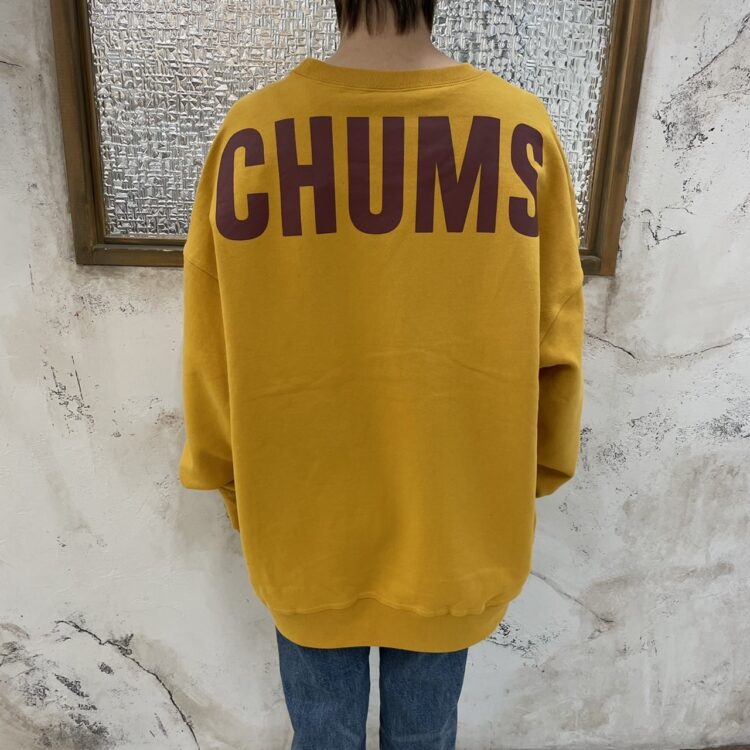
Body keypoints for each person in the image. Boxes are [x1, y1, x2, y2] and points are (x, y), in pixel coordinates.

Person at [178, 0, 586, 746]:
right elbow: (556, 336)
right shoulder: (519, 129)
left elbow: (211, 348)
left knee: (321, 737)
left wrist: (234, 485)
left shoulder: (251, 134)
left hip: (303, 529)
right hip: (457, 527)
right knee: (427, 738)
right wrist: (528, 477)